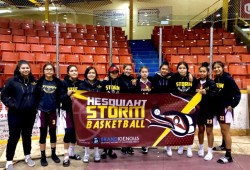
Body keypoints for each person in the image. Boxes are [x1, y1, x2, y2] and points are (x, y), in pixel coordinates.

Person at [1, 60, 37, 170]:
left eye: (27, 68)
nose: (26, 70)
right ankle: (9, 161)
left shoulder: (34, 81)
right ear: (19, 69)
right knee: (14, 137)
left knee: (27, 136)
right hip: (15, 114)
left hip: (30, 114)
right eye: (23, 68)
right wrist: (12, 104)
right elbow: (4, 95)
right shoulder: (12, 81)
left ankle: (27, 156)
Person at [35, 63, 65, 166]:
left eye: (50, 69)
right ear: (43, 71)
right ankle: (43, 156)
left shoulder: (58, 82)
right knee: (43, 134)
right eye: (47, 69)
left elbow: (61, 95)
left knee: (53, 134)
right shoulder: (39, 82)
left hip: (53, 111)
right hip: (42, 111)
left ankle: (53, 154)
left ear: (53, 71)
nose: (48, 71)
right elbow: (35, 95)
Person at [212, 61, 241, 164]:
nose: (216, 69)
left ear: (223, 67)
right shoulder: (216, 79)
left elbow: (237, 93)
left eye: (218, 67)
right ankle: (224, 145)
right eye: (214, 68)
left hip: (225, 109)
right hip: (219, 108)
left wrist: (232, 105)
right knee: (222, 129)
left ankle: (228, 156)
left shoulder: (228, 79)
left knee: (226, 131)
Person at [168, 61, 196, 158]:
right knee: (179, 126)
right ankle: (180, 145)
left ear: (187, 69)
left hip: (190, 105)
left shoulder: (192, 78)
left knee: (190, 126)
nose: (182, 70)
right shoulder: (173, 78)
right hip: (177, 104)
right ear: (177, 69)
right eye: (180, 68)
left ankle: (188, 147)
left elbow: (195, 89)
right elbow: (170, 91)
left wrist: (190, 75)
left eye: (184, 68)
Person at [194, 62, 218, 161]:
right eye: (201, 71)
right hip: (199, 110)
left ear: (208, 72)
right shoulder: (195, 82)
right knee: (200, 129)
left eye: (204, 71)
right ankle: (200, 148)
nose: (202, 73)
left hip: (209, 111)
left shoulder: (211, 82)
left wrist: (206, 92)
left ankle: (209, 152)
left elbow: (215, 94)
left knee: (209, 131)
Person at [101, 64, 125, 159]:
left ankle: (110, 150)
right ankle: (104, 150)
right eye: (112, 72)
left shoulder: (121, 83)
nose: (114, 74)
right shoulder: (105, 82)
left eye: (115, 72)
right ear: (109, 73)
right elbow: (98, 94)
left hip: (116, 110)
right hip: (105, 110)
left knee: (112, 131)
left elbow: (126, 95)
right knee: (105, 130)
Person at [78, 66, 102, 163]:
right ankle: (87, 153)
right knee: (86, 133)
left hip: (98, 112)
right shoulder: (81, 85)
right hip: (85, 112)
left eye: (93, 73)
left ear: (96, 74)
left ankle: (96, 153)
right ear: (86, 74)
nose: (91, 74)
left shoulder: (100, 84)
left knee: (97, 132)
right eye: (89, 73)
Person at [61, 65, 82, 167]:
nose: (74, 72)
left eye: (75, 70)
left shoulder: (81, 83)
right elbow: (60, 97)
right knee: (68, 132)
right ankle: (66, 155)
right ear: (68, 73)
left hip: (78, 111)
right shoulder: (64, 83)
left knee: (74, 132)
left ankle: (72, 153)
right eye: (72, 71)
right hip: (67, 111)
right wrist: (67, 94)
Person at [134, 66, 154, 154]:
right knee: (138, 126)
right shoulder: (136, 82)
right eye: (143, 72)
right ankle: (135, 142)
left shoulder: (152, 82)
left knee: (147, 126)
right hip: (138, 107)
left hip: (148, 108)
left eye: (146, 72)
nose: (144, 73)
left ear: (148, 73)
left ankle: (144, 145)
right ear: (140, 73)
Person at [119, 64, 135, 155]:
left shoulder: (133, 79)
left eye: (130, 69)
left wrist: (134, 85)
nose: (128, 71)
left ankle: (129, 145)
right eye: (127, 69)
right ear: (123, 69)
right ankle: (123, 145)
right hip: (122, 106)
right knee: (123, 126)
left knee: (130, 126)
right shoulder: (119, 79)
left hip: (132, 106)